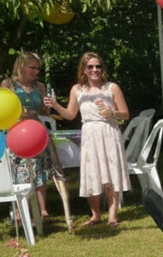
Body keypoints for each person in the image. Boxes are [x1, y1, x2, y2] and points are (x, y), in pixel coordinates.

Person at [46, 52, 131, 228]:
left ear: (102, 68)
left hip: (108, 131)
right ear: (84, 69)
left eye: (98, 66)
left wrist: (113, 113)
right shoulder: (77, 90)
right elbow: (70, 115)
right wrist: (55, 105)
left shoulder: (111, 87)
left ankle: (113, 216)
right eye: (90, 67)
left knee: (111, 171)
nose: (95, 70)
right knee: (91, 172)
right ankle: (95, 215)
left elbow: (125, 113)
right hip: (89, 132)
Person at [0, 52, 65, 221]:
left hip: (36, 130)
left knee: (40, 169)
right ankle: (20, 211)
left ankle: (42, 210)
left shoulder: (40, 86)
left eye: (38, 68)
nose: (36, 72)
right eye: (32, 68)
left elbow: (44, 112)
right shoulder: (9, 85)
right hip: (15, 131)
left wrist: (48, 106)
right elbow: (1, 109)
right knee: (18, 169)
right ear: (21, 66)